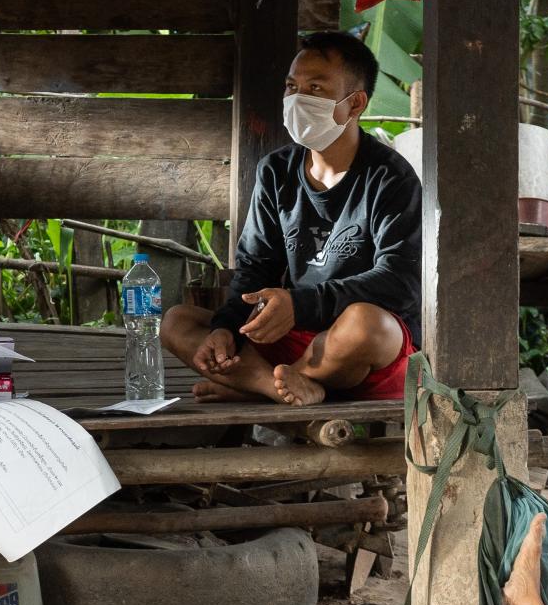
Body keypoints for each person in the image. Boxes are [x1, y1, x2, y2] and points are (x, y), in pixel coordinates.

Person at [161, 30, 421, 406]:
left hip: (362, 351)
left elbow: (400, 282)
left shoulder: (390, 177)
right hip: (293, 336)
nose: (298, 99)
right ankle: (282, 387)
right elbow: (255, 268)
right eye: (291, 86)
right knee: (178, 321)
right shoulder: (276, 171)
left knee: (364, 324)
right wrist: (226, 328)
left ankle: (254, 383)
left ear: (355, 103)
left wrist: (299, 304)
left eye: (315, 88)